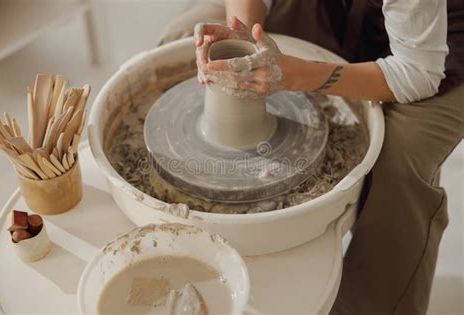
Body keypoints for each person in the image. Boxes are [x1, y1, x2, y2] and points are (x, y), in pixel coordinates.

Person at [158, 0, 464, 314]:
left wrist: (297, 76)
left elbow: (418, 73)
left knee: (399, 161)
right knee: (182, 37)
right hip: (333, 9)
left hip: (440, 49)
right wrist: (247, 38)